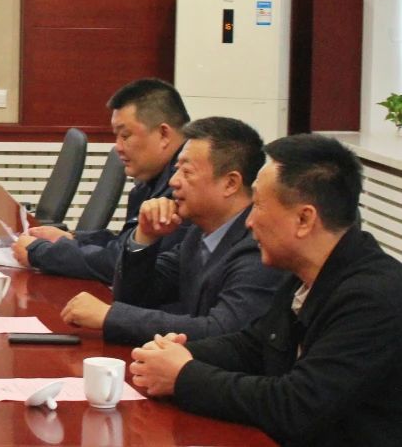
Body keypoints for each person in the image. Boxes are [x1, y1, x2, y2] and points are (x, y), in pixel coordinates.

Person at [130, 134, 402, 446]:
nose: (249, 222)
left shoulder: (373, 298)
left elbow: (296, 406)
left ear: (304, 219)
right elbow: (253, 346)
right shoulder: (306, 273)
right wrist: (176, 354)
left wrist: (183, 376)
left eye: (258, 205)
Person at [60, 117, 284, 344]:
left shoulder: (258, 246)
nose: (174, 182)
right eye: (176, 170)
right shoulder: (198, 233)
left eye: (186, 172)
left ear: (230, 183)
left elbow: (222, 331)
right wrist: (145, 236)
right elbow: (134, 298)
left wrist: (110, 316)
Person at [14, 77, 190, 282]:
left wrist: (41, 253)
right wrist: (72, 238)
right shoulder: (150, 181)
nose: (118, 147)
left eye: (125, 136)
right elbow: (125, 244)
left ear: (163, 134)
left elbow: (121, 264)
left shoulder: (185, 188)